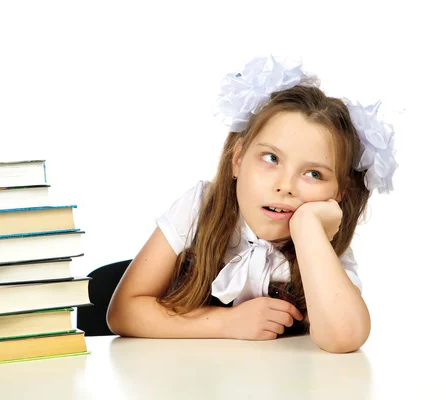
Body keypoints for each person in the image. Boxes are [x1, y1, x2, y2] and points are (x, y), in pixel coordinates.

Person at [107, 55, 398, 353]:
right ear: (237, 159)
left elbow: (344, 338)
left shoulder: (321, 244)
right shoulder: (198, 207)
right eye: (271, 158)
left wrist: (308, 230)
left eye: (313, 174)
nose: (285, 186)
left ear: (339, 194)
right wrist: (227, 323)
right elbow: (123, 313)